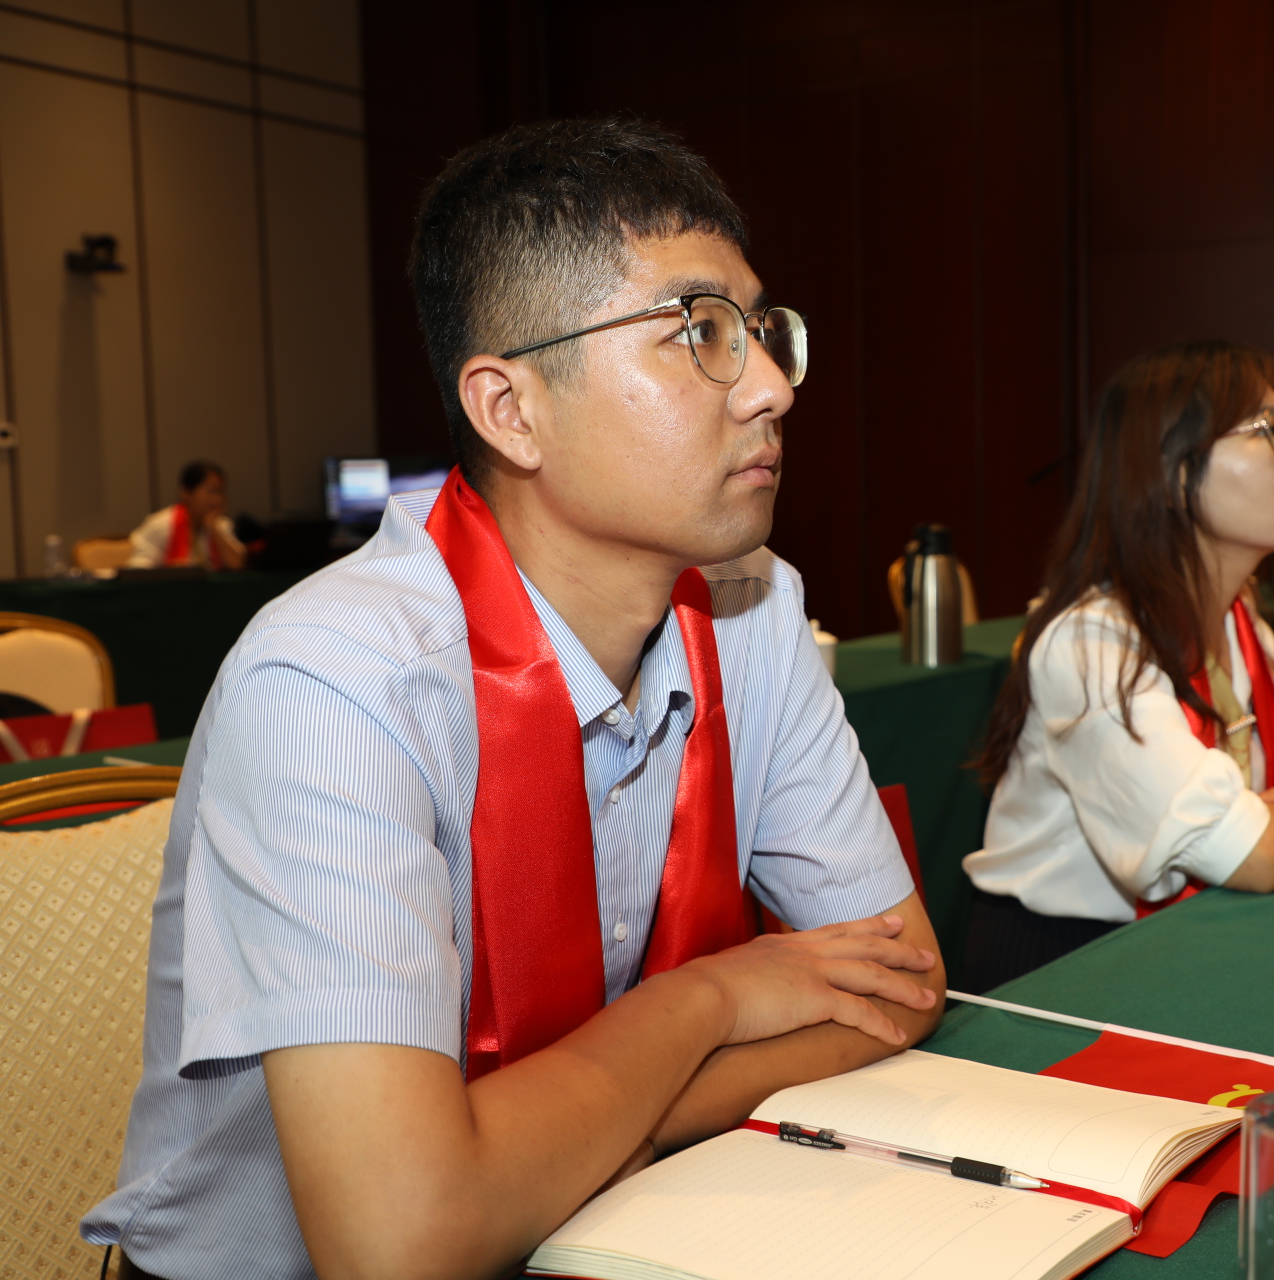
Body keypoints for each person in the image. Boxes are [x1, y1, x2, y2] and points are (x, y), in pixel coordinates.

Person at [84, 118, 944, 1280]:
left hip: (599, 1228)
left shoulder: (753, 608)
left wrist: (601, 1126)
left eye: (760, 331)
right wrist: (706, 999)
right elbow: (400, 1240)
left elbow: (899, 982)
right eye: (699, 332)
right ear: (510, 408)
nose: (772, 386)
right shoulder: (336, 680)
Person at [963, 341, 1274, 991]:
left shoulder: (1236, 619)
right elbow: (1254, 856)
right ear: (1173, 475)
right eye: (1267, 430)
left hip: (1191, 939)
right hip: (1061, 970)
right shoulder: (1091, 643)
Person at [125, 460, 249, 569]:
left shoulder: (222, 524)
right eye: (211, 491)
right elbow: (138, 569)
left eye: (220, 492)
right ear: (186, 492)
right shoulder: (161, 524)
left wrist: (213, 529)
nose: (216, 499)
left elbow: (237, 565)